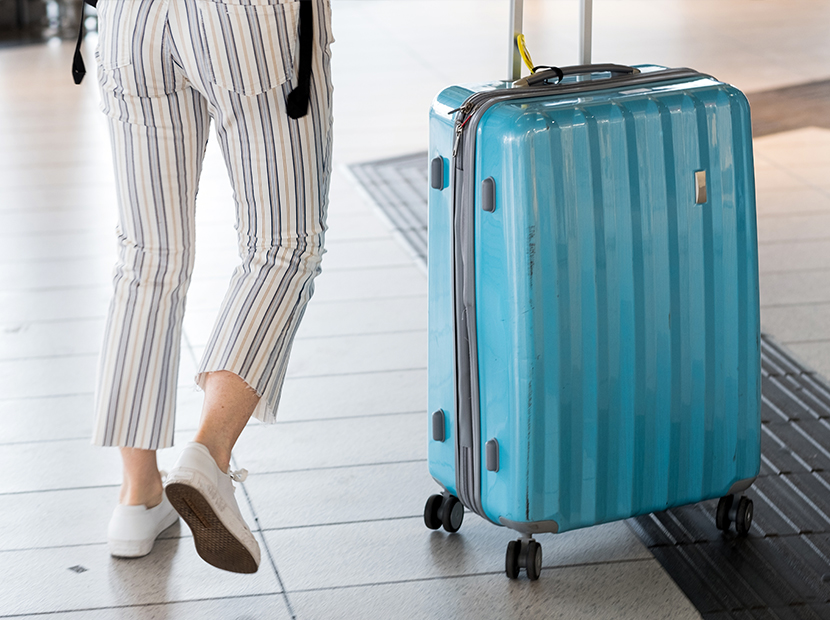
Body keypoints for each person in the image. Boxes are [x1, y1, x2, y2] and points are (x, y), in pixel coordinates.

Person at [91, 0, 334, 574]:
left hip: (131, 23)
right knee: (282, 244)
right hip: (246, 22)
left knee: (147, 256)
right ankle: (209, 454)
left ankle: (138, 495)